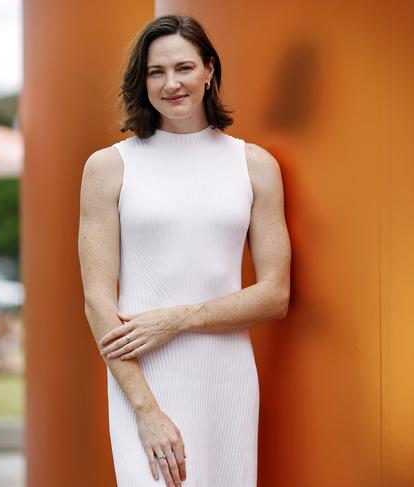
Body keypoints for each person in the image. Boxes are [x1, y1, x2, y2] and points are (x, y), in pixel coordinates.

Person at [78, 14, 291, 487]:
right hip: (145, 382)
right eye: (156, 72)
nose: (171, 83)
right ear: (142, 80)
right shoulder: (109, 168)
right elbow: (98, 301)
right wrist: (146, 410)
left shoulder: (254, 166)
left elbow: (275, 295)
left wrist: (178, 317)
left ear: (209, 70)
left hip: (227, 380)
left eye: (184, 68)